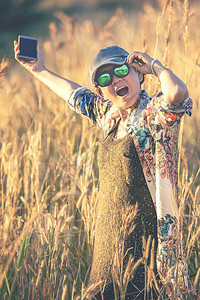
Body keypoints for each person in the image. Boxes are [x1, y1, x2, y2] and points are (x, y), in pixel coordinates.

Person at [14, 41, 192, 299]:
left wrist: (154, 65)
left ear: (137, 75)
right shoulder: (109, 116)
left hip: (146, 253)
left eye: (121, 71)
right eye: (105, 78)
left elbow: (177, 92)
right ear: (101, 91)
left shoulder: (155, 115)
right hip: (108, 248)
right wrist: (38, 70)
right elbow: (75, 95)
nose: (115, 80)